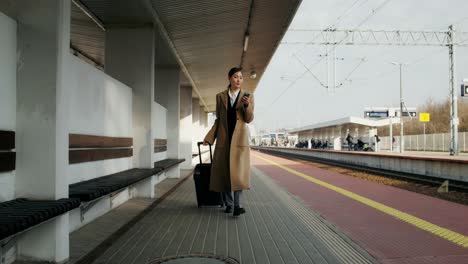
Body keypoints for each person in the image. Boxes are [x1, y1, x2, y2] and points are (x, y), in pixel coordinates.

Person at [203, 67, 254, 217]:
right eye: (236, 77)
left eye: (241, 77)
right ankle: (229, 204)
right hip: (224, 140)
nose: (239, 80)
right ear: (229, 78)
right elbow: (218, 120)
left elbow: (249, 119)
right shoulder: (220, 97)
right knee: (224, 173)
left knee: (238, 174)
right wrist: (209, 138)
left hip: (239, 141)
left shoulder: (248, 96)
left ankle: (237, 206)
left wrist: (247, 105)